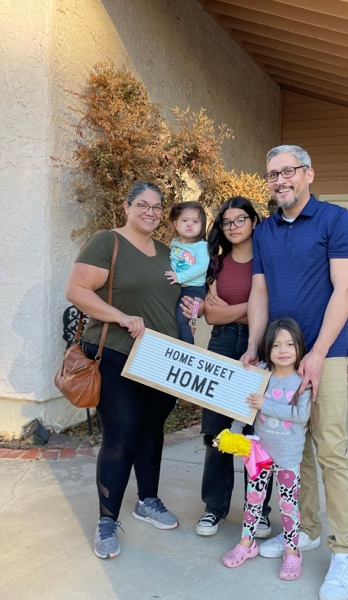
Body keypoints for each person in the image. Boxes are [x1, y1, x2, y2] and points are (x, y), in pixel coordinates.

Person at [240, 145, 348, 600]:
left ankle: (346, 550)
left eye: (288, 171)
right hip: (281, 360)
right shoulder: (266, 232)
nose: (280, 180)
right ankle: (306, 527)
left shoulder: (335, 220)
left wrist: (319, 351)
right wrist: (254, 347)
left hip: (325, 355)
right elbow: (258, 293)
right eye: (272, 174)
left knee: (330, 448)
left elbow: (344, 287)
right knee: (294, 448)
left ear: (308, 173)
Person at [65, 181, 182, 560]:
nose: (150, 212)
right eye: (143, 205)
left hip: (160, 360)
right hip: (117, 354)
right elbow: (77, 291)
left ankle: (147, 500)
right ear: (127, 206)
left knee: (151, 430)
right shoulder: (106, 242)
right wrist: (121, 317)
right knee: (121, 433)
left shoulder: (167, 252)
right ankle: (107, 520)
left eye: (157, 207)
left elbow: (173, 298)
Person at [191, 196, 273, 539]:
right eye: (226, 222)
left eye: (240, 220)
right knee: (216, 429)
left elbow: (271, 305)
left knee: (258, 432)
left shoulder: (268, 259)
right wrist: (252, 306)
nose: (233, 227)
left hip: (263, 343)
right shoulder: (217, 262)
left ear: (254, 221)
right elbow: (212, 315)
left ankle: (260, 510)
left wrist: (236, 308)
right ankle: (215, 507)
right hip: (223, 342)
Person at [221, 318, 311, 581]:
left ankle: (292, 552)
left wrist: (265, 403)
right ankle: (246, 545)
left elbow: (301, 414)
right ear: (267, 349)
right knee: (253, 500)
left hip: (288, 456)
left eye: (290, 344)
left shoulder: (302, 380)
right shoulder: (261, 374)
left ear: (300, 347)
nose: (283, 350)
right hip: (259, 453)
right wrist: (234, 432)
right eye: (276, 345)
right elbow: (247, 405)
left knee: (288, 505)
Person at [165, 201, 209, 344]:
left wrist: (180, 277)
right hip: (176, 288)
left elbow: (202, 266)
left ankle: (188, 348)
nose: (190, 224)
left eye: (195, 221)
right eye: (185, 220)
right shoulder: (174, 243)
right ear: (176, 224)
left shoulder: (201, 246)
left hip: (193, 291)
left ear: (202, 226)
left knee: (182, 319)